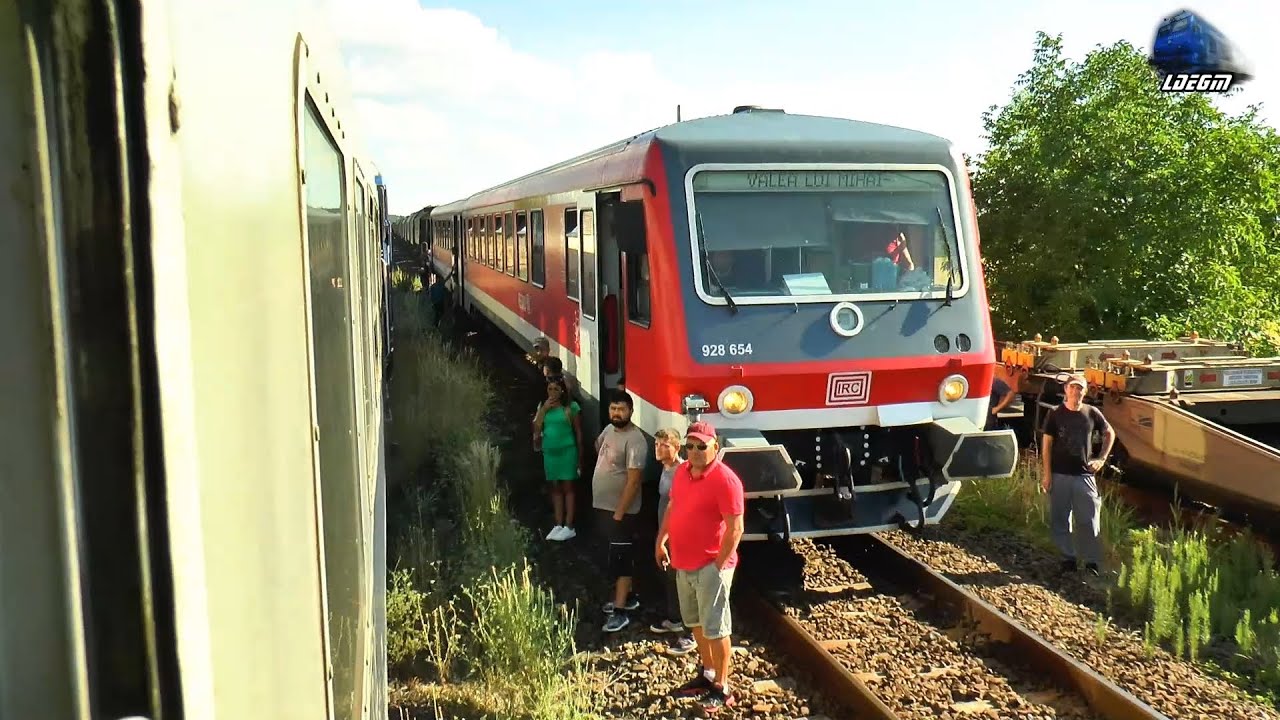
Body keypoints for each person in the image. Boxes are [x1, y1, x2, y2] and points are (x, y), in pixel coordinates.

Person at [655, 421, 744, 711]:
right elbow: (672, 507)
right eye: (690, 445)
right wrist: (661, 540)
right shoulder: (681, 472)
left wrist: (717, 565)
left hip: (710, 566)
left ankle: (723, 686)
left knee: (716, 628)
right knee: (694, 623)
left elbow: (736, 528)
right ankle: (706, 674)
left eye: (701, 446)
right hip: (683, 562)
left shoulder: (726, 480)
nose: (694, 451)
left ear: (715, 447)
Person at [1041, 375, 1115, 576]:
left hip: (1084, 475)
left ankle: (1091, 562)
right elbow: (1046, 446)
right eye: (1073, 387)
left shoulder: (1092, 412)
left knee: (1089, 520)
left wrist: (1101, 458)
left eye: (1080, 388)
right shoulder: (1055, 414)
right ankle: (1068, 558)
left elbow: (1110, 433)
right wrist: (1047, 474)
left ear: (1085, 391)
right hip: (1059, 474)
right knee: (1060, 519)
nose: (1076, 391)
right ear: (1066, 389)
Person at [593, 390, 647, 632]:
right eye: (613, 409)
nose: (616, 413)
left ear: (631, 411)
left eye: (621, 409)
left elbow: (634, 481)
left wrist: (619, 513)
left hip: (620, 513)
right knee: (613, 556)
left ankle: (620, 610)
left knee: (621, 559)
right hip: (605, 508)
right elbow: (598, 446)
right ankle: (628, 597)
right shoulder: (608, 430)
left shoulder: (635, 440)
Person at [648, 428, 696, 655]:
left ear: (677, 448)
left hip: (679, 534)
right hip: (665, 533)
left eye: (664, 445)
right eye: (657, 444)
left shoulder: (683, 471)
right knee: (668, 575)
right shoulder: (665, 469)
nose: (659, 448)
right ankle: (674, 618)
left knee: (683, 580)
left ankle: (690, 633)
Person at [534, 378, 581, 541]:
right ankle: (558, 524)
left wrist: (580, 458)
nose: (552, 392)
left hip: (567, 451)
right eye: (550, 389)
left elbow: (578, 433)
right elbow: (536, 427)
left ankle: (569, 525)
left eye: (555, 389)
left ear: (562, 391)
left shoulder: (571, 407)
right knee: (555, 487)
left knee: (568, 487)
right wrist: (544, 410)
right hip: (550, 453)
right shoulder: (543, 407)